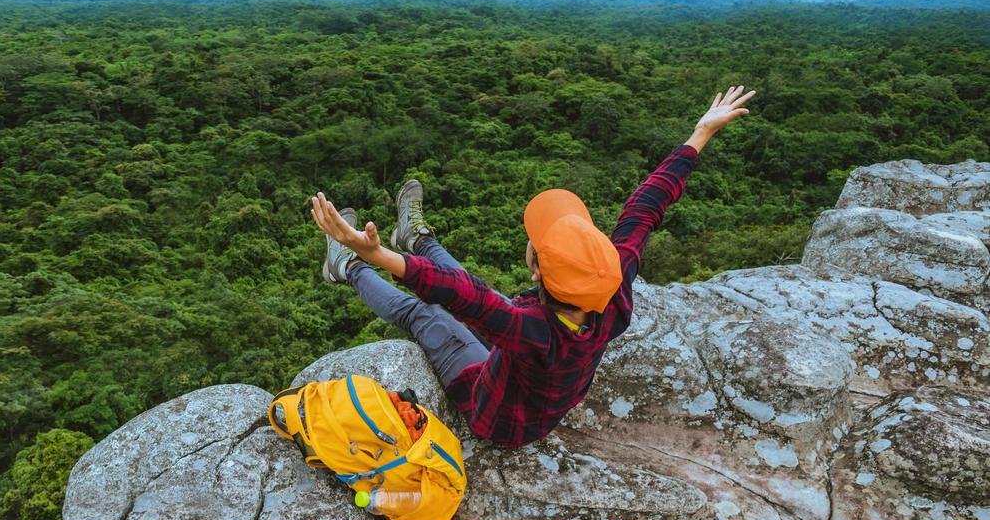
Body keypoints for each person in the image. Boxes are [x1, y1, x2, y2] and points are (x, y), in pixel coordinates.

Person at [308, 86, 757, 449]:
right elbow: (645, 209)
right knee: (475, 297)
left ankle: (345, 267)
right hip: (535, 387)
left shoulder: (532, 330)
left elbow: (463, 298)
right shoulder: (611, 291)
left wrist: (375, 256)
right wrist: (698, 136)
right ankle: (418, 240)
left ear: (539, 273)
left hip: (499, 420)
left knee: (424, 314)